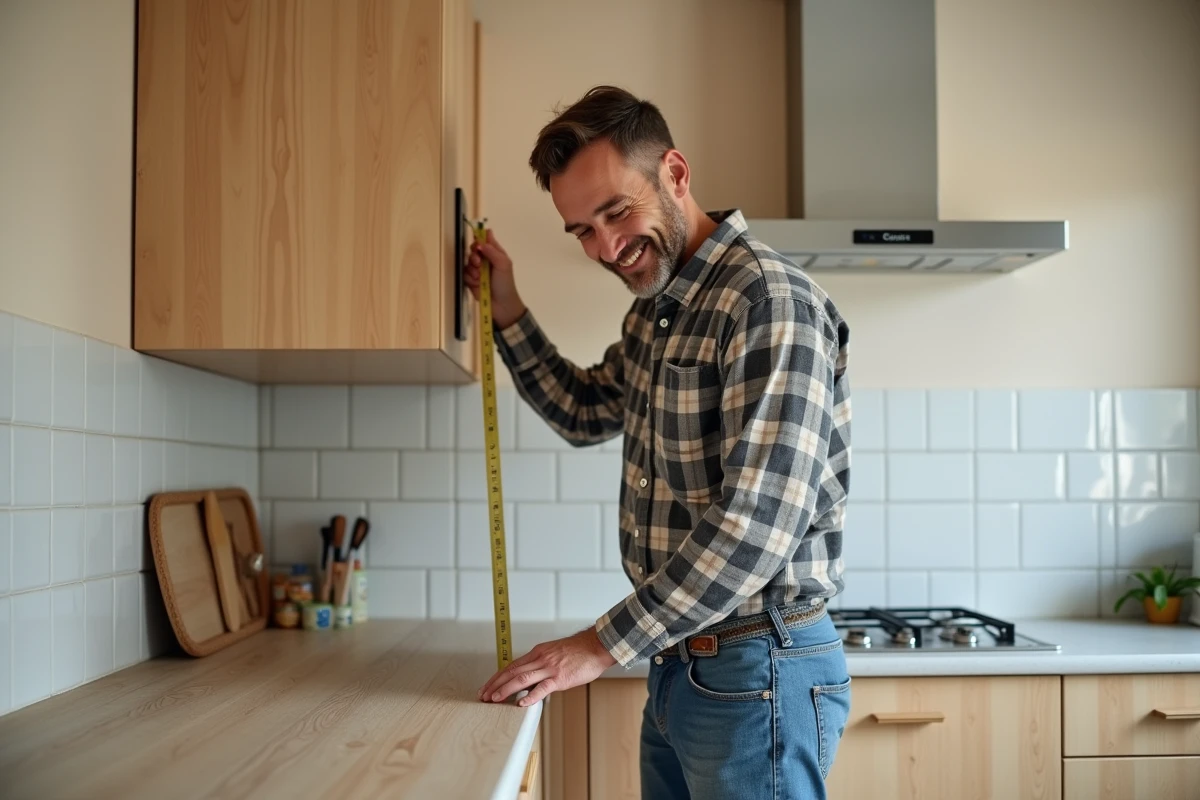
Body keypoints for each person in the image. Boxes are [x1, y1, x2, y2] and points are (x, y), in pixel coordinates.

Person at [470, 85, 853, 799]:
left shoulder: (766, 300)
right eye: (582, 230)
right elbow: (584, 411)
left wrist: (597, 645)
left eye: (617, 212)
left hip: (756, 667)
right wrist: (509, 307)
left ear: (674, 173)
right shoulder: (658, 314)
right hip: (682, 661)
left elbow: (757, 526)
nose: (607, 247)